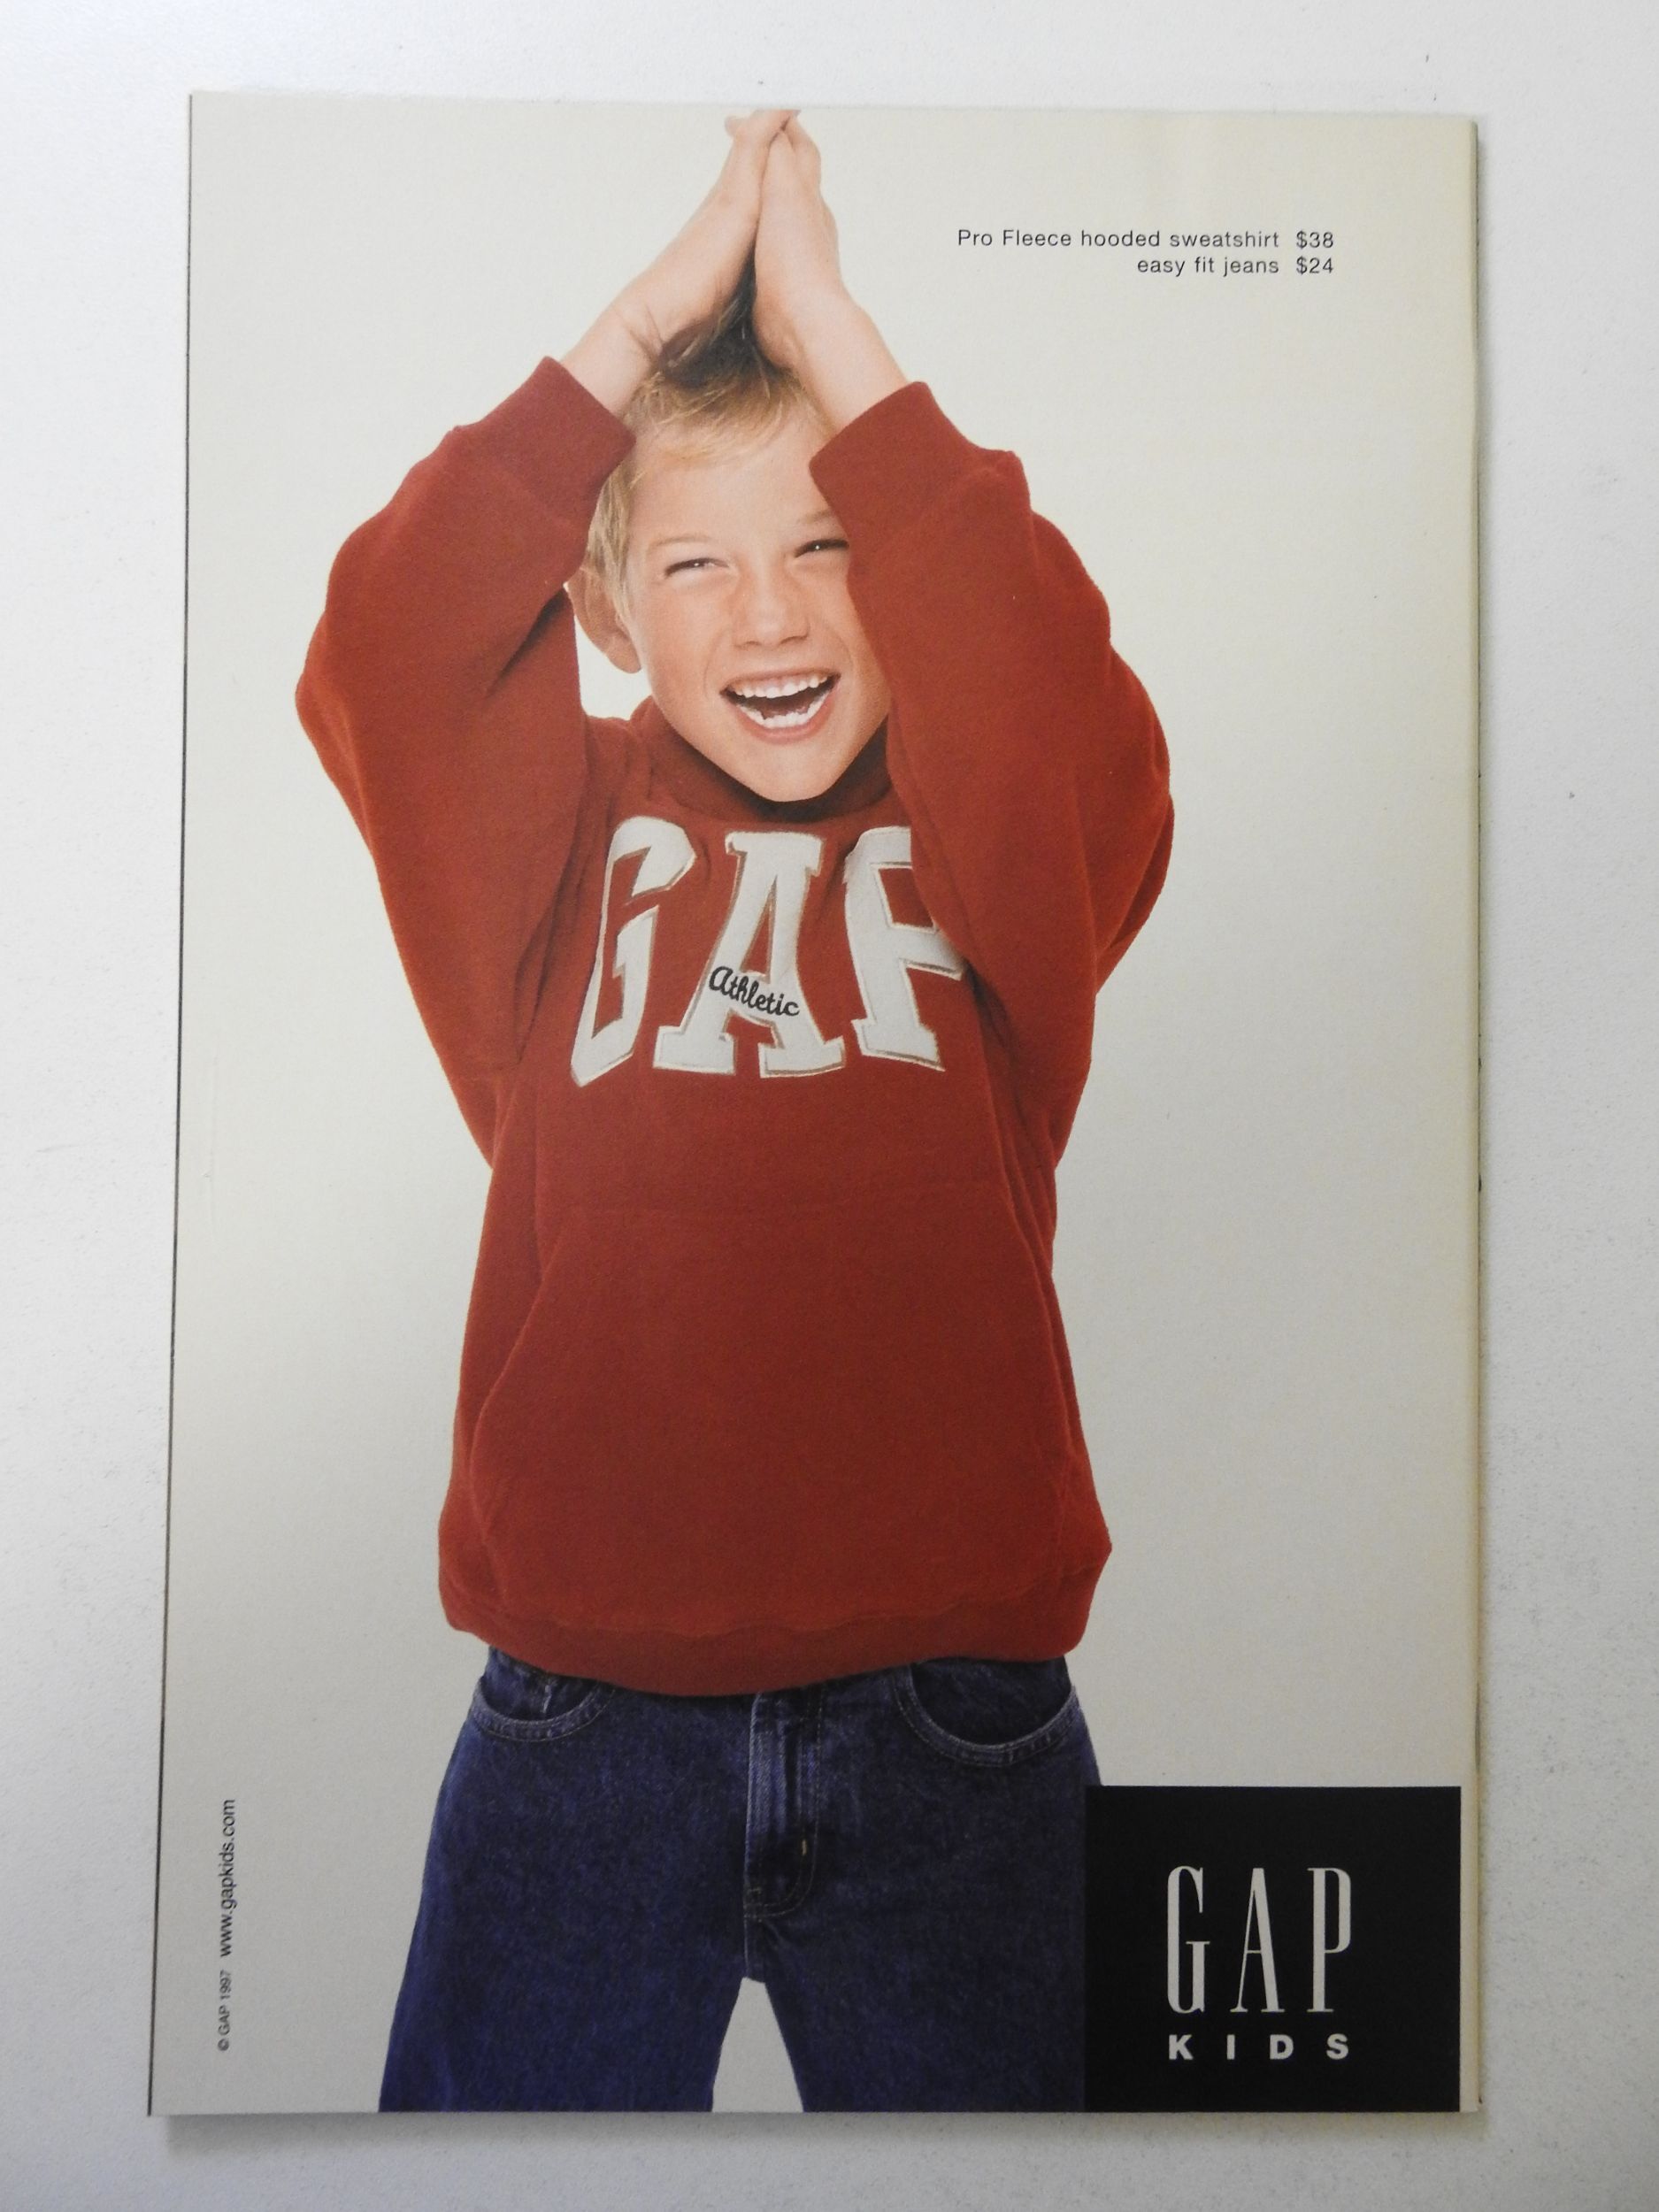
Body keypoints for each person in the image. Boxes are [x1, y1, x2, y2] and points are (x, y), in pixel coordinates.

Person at [296, 110, 1172, 2112]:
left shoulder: (991, 839)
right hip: (583, 1719)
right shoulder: (551, 844)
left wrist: (836, 335)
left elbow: (1065, 707)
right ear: (607, 615)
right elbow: (391, 643)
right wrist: (646, 317)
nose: (769, 617)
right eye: (695, 563)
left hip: (954, 1720)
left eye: (827, 545)